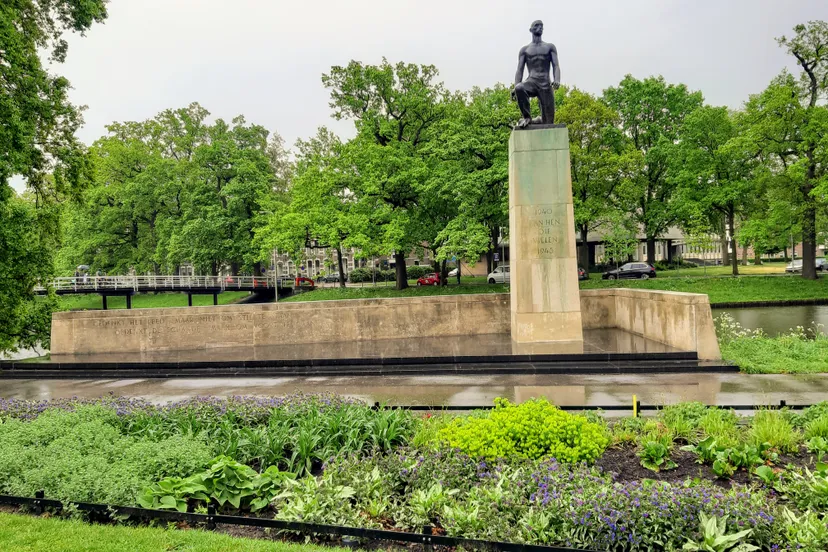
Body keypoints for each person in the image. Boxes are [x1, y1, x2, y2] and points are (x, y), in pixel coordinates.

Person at [513, 20, 561, 128]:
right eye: (536, 25)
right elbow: (519, 70)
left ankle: (539, 120)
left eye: (541, 26)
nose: (540, 27)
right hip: (532, 82)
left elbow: (556, 66)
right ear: (531, 30)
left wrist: (557, 80)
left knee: (548, 123)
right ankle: (527, 117)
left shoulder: (550, 47)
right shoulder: (525, 50)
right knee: (519, 88)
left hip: (545, 84)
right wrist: (515, 86)